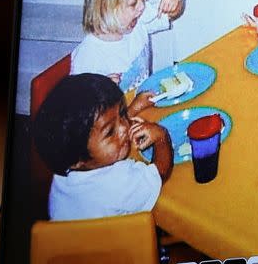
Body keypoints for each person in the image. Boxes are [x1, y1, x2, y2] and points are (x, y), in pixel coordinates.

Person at [33, 73, 174, 221]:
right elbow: (160, 172)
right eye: (110, 132)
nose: (124, 128)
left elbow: (100, 126)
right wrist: (161, 137)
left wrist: (133, 109)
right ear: (78, 160)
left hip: (72, 241)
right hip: (124, 243)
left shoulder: (66, 163)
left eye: (122, 113)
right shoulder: (119, 183)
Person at [70, 0, 184, 115]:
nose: (142, 7)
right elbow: (84, 117)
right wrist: (101, 94)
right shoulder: (88, 57)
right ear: (106, 7)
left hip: (146, 109)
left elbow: (173, 13)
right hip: (119, 128)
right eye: (133, 3)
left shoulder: (138, 20)